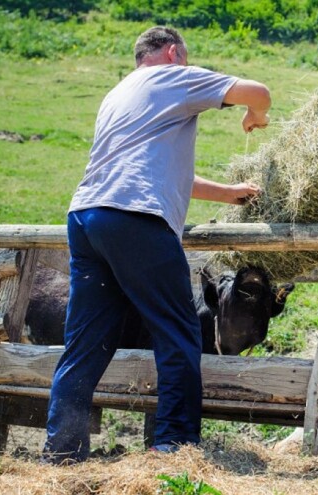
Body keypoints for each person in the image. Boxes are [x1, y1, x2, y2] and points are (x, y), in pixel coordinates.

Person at [42, 26, 271, 464]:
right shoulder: (172, 76)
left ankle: (61, 449)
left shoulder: (118, 95)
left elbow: (162, 172)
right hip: (137, 220)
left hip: (87, 217)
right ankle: (174, 446)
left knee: (86, 342)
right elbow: (259, 91)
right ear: (172, 52)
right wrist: (254, 116)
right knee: (178, 331)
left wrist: (229, 192)